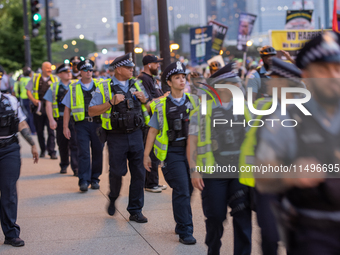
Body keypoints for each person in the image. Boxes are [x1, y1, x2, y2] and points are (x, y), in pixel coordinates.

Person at [255, 31, 340, 255]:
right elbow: (262, 177)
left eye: (338, 68)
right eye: (323, 69)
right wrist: (292, 175)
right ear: (306, 74)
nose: (333, 75)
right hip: (314, 235)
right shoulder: (286, 120)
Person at [239, 57, 303, 255]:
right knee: (269, 235)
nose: (268, 83)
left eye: (273, 79)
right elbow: (250, 142)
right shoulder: (262, 107)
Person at [188, 63, 252, 254]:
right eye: (236, 84)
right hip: (213, 173)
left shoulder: (246, 108)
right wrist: (194, 169)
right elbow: (192, 142)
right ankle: (213, 248)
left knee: (243, 216)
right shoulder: (202, 111)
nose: (240, 87)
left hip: (240, 172)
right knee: (215, 216)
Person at [88, 53, 150, 223]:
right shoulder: (104, 87)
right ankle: (113, 197)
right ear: (118, 69)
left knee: (139, 173)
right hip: (116, 137)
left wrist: (145, 100)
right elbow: (91, 111)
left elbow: (149, 105)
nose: (132, 70)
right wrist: (111, 103)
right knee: (117, 172)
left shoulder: (137, 84)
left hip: (137, 134)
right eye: (128, 67)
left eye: (132, 67)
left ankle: (135, 210)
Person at [144, 61, 199, 244]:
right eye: (177, 78)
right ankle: (185, 230)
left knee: (189, 189)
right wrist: (146, 155)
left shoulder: (194, 101)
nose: (182, 80)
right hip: (171, 153)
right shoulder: (160, 105)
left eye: (183, 77)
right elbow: (152, 131)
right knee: (182, 188)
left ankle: (180, 220)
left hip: (190, 152)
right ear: (169, 82)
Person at [0, 67, 39, 247]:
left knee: (8, 191)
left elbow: (21, 123)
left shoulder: (11, 100)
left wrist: (32, 144)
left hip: (9, 150)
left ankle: (11, 233)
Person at [62, 59, 103, 192]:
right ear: (80, 72)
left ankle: (95, 179)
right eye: (85, 70)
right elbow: (67, 108)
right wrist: (65, 127)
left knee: (98, 151)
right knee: (84, 153)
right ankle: (83, 180)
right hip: (81, 124)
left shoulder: (100, 85)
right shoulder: (73, 87)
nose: (89, 72)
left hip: (97, 123)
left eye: (90, 70)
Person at [138, 54, 167, 193]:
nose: (158, 65)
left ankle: (153, 181)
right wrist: (164, 97)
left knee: (155, 154)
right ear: (149, 65)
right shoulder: (143, 79)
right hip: (148, 121)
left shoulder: (151, 79)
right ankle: (150, 183)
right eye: (156, 63)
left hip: (155, 119)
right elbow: (148, 103)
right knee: (151, 153)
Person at [44, 64, 79, 175]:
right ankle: (64, 164)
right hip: (60, 119)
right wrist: (51, 120)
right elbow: (48, 104)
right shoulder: (54, 87)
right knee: (62, 144)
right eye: (65, 72)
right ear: (59, 74)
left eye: (69, 71)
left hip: (74, 119)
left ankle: (76, 168)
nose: (69, 73)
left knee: (75, 143)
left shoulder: (75, 85)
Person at [26, 62, 58, 159]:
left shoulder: (55, 79)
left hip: (51, 108)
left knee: (51, 130)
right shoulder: (35, 78)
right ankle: (43, 150)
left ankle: (52, 151)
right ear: (42, 68)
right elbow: (28, 91)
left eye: (50, 68)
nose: (49, 70)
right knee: (39, 131)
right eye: (47, 68)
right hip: (38, 108)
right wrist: (34, 100)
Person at [14, 67, 36, 134]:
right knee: (31, 115)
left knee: (25, 114)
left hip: (22, 99)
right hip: (29, 98)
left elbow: (16, 89)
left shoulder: (21, 80)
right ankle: (33, 130)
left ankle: (28, 128)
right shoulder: (30, 79)